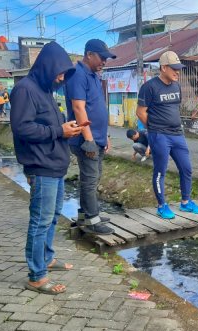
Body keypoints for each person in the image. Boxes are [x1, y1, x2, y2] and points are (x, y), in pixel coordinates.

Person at [10, 41, 83, 295]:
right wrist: (58, 131)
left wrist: (66, 129)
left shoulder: (46, 91)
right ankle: (36, 276)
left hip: (55, 165)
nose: (61, 78)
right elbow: (22, 128)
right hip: (40, 166)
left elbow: (51, 127)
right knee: (40, 221)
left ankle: (47, 259)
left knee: (52, 218)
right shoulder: (25, 90)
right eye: (59, 72)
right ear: (47, 67)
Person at [136, 51, 198, 219]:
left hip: (177, 134)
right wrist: (153, 129)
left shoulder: (176, 86)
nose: (177, 72)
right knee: (160, 171)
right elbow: (140, 112)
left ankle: (186, 203)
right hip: (160, 135)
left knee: (186, 168)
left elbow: (173, 109)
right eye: (174, 68)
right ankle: (161, 205)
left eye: (179, 68)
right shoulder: (149, 87)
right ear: (163, 67)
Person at [65, 39, 117, 235]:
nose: (104, 61)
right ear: (89, 54)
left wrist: (106, 136)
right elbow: (79, 107)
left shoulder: (94, 75)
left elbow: (97, 108)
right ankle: (92, 220)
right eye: (101, 57)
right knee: (90, 179)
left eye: (106, 58)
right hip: (86, 139)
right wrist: (89, 140)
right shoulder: (78, 74)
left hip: (97, 137)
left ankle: (84, 214)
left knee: (93, 178)